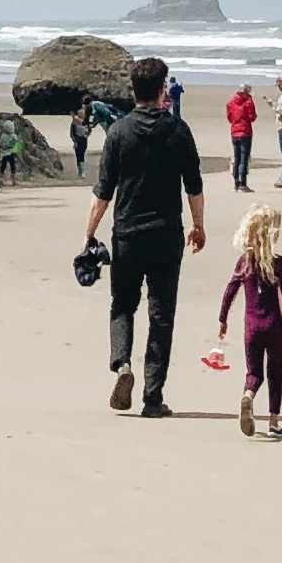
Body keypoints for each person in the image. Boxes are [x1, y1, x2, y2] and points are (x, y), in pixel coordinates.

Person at [83, 53, 208, 417]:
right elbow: (194, 186)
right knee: (161, 315)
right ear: (161, 89)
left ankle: (122, 364)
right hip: (166, 236)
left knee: (123, 305)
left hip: (128, 234)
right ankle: (153, 399)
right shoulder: (178, 130)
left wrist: (89, 233)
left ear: (133, 90)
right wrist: (199, 226)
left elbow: (103, 192)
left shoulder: (119, 133)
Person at [216, 204, 282, 437]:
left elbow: (230, 291)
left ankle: (248, 396)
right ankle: (274, 422)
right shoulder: (279, 263)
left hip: (252, 329)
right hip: (275, 328)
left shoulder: (244, 262)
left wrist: (222, 319)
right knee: (276, 372)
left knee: (254, 373)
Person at [225, 76, 258, 192]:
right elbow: (252, 117)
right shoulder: (248, 101)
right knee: (244, 158)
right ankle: (242, 183)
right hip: (245, 132)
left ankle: (236, 183)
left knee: (237, 157)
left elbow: (229, 117)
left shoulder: (231, 102)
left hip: (235, 132)